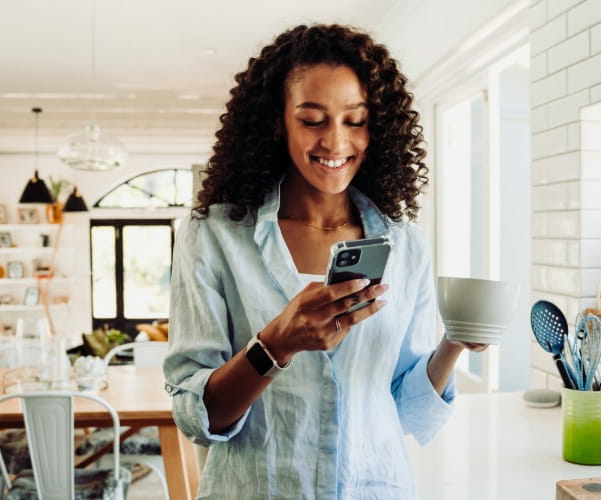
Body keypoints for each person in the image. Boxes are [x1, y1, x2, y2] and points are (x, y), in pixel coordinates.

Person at [164, 24, 485, 499]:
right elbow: (198, 416)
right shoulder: (213, 235)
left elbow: (406, 408)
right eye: (313, 119)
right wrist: (273, 345)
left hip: (376, 486)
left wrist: (455, 342)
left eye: (354, 120)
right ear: (278, 121)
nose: (336, 142)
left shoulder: (406, 246)